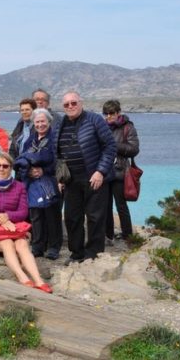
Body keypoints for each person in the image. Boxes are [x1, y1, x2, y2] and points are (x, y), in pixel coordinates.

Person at [0, 152, 51, 292]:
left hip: (12, 226)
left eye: (5, 166)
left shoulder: (19, 186)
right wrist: (0, 221)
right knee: (7, 244)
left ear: (11, 168)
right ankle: (22, 277)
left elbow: (23, 212)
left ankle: (39, 280)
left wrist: (8, 216)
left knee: (22, 244)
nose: (1, 169)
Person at [54, 92, 116, 262]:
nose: (70, 106)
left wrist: (101, 171)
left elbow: (110, 146)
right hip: (71, 179)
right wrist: (60, 177)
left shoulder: (94, 120)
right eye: (66, 104)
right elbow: (58, 153)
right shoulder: (60, 124)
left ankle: (93, 255)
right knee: (72, 217)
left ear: (81, 103)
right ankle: (77, 253)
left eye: (73, 103)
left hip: (93, 176)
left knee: (95, 217)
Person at [13, 108, 61, 259]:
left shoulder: (54, 139)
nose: (40, 124)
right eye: (37, 122)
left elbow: (58, 161)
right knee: (35, 215)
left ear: (49, 122)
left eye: (43, 121)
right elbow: (22, 159)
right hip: (33, 183)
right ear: (34, 123)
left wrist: (44, 170)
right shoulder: (30, 140)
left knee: (52, 215)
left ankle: (54, 247)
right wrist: (28, 172)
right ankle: (38, 246)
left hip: (49, 182)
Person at [102, 99, 140, 242]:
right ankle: (108, 235)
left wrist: (114, 145)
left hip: (120, 172)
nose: (108, 117)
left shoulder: (128, 127)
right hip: (104, 171)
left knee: (121, 205)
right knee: (105, 206)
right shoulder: (102, 127)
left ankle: (127, 235)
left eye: (111, 113)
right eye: (105, 114)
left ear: (118, 113)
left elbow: (134, 149)